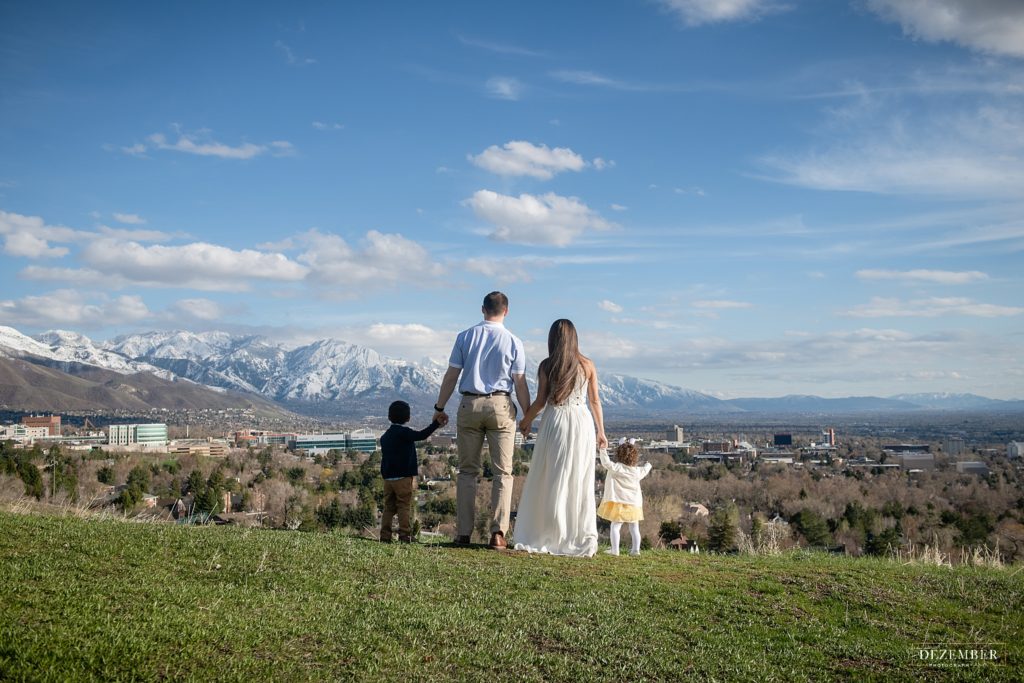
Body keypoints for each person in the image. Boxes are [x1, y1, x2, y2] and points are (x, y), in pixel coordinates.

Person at [433, 292, 530, 549]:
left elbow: (452, 375)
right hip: (500, 405)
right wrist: (527, 415)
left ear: (482, 309)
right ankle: (498, 533)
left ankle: (463, 533)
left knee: (467, 471)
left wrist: (439, 407)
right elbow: (520, 383)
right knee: (503, 472)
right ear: (506, 311)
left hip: (470, 403)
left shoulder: (465, 337)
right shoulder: (514, 341)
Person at [513, 319, 608, 557]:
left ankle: (551, 531)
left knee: (552, 476)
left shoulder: (547, 366)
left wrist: (526, 421)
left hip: (555, 422)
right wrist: (601, 431)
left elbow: (540, 401)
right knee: (579, 478)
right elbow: (595, 401)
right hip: (581, 422)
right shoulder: (587, 365)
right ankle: (575, 533)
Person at [379, 400, 441, 543]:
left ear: (389, 417)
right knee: (403, 506)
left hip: (388, 479)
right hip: (403, 478)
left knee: (388, 507)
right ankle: (404, 534)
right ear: (408, 418)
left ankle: (385, 536)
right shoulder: (405, 433)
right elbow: (422, 435)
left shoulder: (385, 437)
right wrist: (436, 424)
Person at [597, 439, 652, 556]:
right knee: (634, 528)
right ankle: (635, 550)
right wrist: (648, 465)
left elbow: (605, 462)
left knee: (615, 527)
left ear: (618, 455)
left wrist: (602, 449)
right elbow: (645, 469)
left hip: (618, 503)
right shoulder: (637, 471)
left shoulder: (616, 468)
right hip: (633, 504)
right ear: (635, 457)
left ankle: (615, 550)